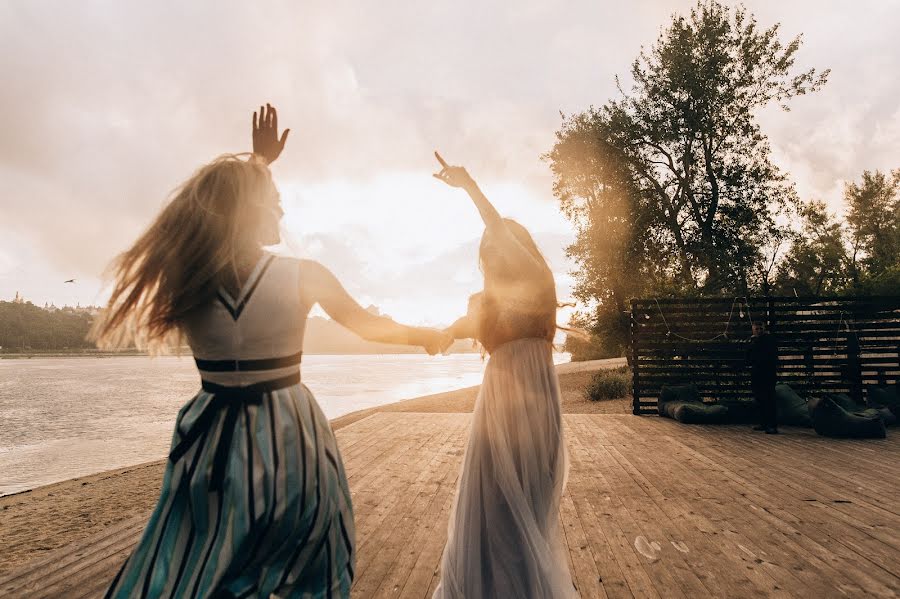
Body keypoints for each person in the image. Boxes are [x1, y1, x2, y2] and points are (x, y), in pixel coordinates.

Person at [93, 104, 451, 599]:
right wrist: (429, 336)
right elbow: (370, 327)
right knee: (304, 560)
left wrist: (259, 166)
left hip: (210, 436)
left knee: (201, 561)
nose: (282, 210)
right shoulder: (304, 275)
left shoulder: (188, 284)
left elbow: (224, 212)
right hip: (289, 434)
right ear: (250, 209)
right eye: (274, 201)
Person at [431, 153, 576, 598]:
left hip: (530, 390)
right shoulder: (491, 298)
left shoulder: (536, 275)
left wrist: (470, 186)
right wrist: (440, 335)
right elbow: (464, 326)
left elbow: (495, 227)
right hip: (499, 394)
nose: (492, 253)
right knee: (490, 499)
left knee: (526, 499)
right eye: (488, 251)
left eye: (498, 245)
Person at [747, 321, 779, 434]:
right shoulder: (753, 340)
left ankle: (772, 425)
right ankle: (763, 423)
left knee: (769, 399)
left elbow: (770, 356)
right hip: (757, 373)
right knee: (759, 398)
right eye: (757, 329)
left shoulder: (769, 340)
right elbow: (749, 356)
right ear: (753, 330)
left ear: (764, 329)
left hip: (768, 373)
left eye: (761, 329)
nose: (759, 331)